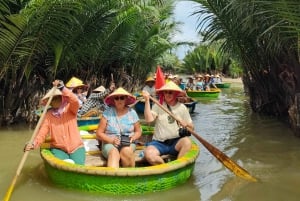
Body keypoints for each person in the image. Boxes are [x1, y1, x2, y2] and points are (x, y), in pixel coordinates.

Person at [24, 80, 85, 165]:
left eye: (58, 98)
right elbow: (42, 133)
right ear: (50, 102)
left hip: (76, 147)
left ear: (63, 98)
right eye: (53, 99)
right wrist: (33, 144)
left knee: (79, 166)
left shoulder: (70, 109)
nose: (56, 100)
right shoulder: (48, 116)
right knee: (64, 164)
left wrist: (62, 88)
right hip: (58, 149)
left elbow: (75, 101)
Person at [142, 81, 194, 165]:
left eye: (170, 92)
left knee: (187, 142)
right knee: (149, 154)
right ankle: (164, 167)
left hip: (175, 142)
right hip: (159, 143)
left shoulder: (182, 108)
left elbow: (192, 128)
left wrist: (186, 124)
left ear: (176, 94)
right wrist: (147, 101)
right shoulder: (158, 105)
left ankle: (178, 166)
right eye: (165, 92)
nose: (167, 94)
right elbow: (149, 120)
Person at [96, 87, 142, 168]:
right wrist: (111, 140)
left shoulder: (132, 112)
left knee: (126, 151)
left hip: (128, 142)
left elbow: (138, 131)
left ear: (126, 99)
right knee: (114, 154)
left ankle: (129, 178)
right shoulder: (107, 113)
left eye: (122, 98)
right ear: (114, 100)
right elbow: (99, 133)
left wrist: (133, 137)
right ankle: (114, 179)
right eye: (116, 98)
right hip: (109, 142)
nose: (119, 100)